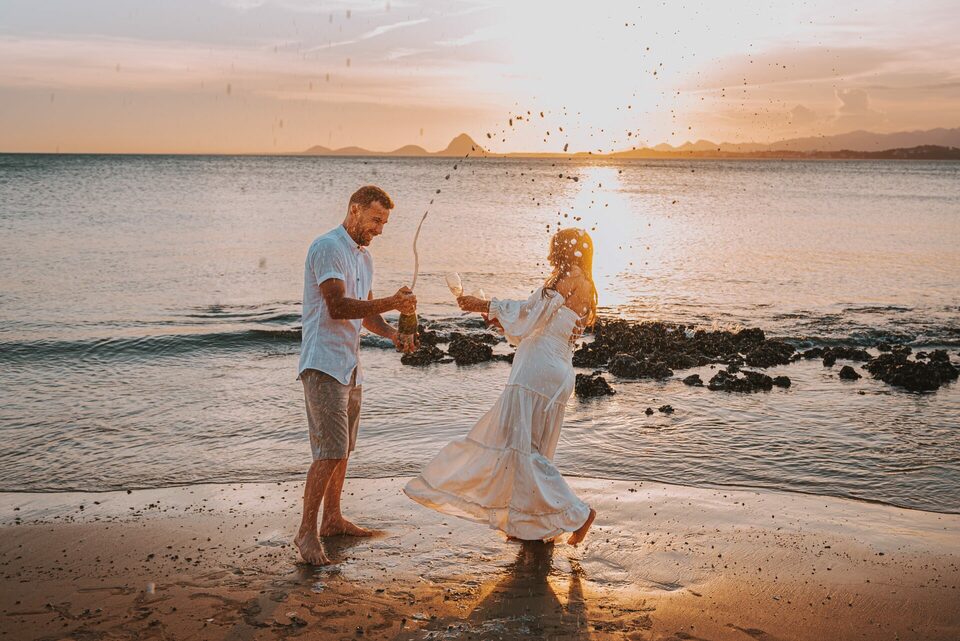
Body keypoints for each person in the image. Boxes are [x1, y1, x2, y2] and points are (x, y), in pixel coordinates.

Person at [404, 228, 598, 545]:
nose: (551, 253)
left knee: (522, 450)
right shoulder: (586, 283)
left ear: (564, 249)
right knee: (531, 451)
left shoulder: (568, 277)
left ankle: (578, 512)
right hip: (557, 372)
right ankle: (530, 525)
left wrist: (486, 304)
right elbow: (538, 324)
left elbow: (528, 313)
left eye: (555, 247)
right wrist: (499, 320)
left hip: (536, 372)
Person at [294, 185, 417, 565]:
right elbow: (337, 306)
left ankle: (332, 520)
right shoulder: (328, 247)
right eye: (375, 220)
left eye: (384, 223)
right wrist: (394, 301)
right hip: (323, 363)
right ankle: (306, 533)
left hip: (350, 366)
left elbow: (365, 314)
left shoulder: (364, 258)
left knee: (343, 450)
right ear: (354, 210)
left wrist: (392, 333)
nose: (379, 229)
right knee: (328, 451)